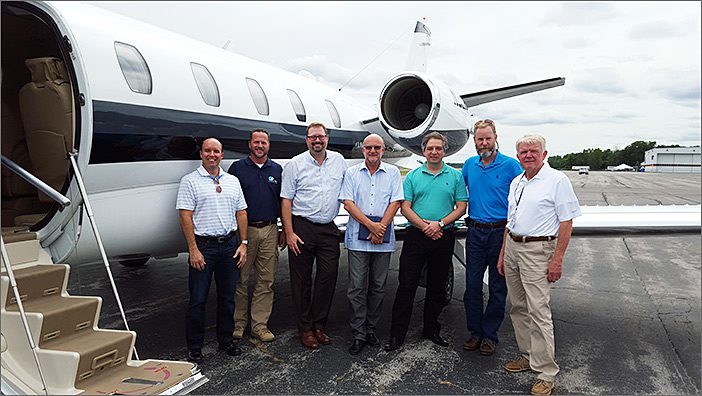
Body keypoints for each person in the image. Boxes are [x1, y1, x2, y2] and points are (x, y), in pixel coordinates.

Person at [497, 134, 581, 396]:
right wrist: (502, 254)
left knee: (539, 310)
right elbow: (510, 221)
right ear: (518, 156)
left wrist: (557, 259)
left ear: (544, 154)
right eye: (523, 152)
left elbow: (566, 222)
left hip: (537, 249)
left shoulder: (557, 181)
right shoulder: (517, 181)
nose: (528, 155)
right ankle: (528, 355)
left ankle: (546, 372)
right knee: (518, 306)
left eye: (533, 151)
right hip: (512, 246)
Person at [383, 132, 468, 352]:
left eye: (438, 148)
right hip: (417, 236)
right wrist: (426, 226)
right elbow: (405, 207)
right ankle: (397, 334)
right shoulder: (413, 176)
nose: (434, 152)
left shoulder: (455, 176)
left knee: (437, 286)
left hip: (443, 235)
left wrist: (439, 224)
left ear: (444, 151)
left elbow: (461, 207)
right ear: (423, 151)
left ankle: (431, 329)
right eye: (430, 148)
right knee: (407, 285)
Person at [176, 137, 249, 364]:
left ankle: (225, 340)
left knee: (228, 298)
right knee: (198, 299)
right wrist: (193, 249)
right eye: (207, 151)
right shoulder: (189, 181)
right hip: (204, 248)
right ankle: (195, 347)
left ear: (221, 155)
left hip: (229, 246)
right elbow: (185, 215)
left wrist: (243, 244)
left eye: (216, 151)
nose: (212, 155)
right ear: (201, 154)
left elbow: (241, 213)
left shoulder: (233, 181)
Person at [280, 122, 348, 349]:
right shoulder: (295, 164)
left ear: (327, 138)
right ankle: (306, 329)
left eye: (321, 137)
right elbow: (286, 200)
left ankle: (320, 325)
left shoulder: (339, 161)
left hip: (328, 227)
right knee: (301, 281)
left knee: (328, 277)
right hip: (302, 227)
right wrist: (288, 232)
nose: (317, 141)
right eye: (312, 137)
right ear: (306, 140)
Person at [461, 119, 523, 356]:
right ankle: (474, 332)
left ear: (496, 137)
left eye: (488, 138)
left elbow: (521, 199)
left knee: (498, 287)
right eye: (479, 139)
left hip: (500, 233)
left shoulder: (511, 166)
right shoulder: (469, 165)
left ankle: (490, 335)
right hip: (475, 232)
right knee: (472, 285)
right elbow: (460, 194)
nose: (484, 142)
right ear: (474, 141)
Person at [339, 134, 403, 355]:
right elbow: (348, 203)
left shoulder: (393, 173)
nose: (373, 151)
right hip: (358, 237)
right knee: (356, 287)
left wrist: (380, 228)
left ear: (383, 150)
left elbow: (396, 202)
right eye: (369, 147)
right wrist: (371, 226)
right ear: (362, 150)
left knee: (378, 286)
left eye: (377, 147)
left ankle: (371, 329)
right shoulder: (352, 173)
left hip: (383, 239)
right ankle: (358, 333)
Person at [228, 129, 284, 343]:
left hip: (270, 229)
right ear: (250, 145)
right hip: (245, 230)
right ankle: (239, 324)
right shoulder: (238, 169)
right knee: (241, 280)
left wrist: (282, 230)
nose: (260, 146)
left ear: (268, 145)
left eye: (264, 142)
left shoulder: (276, 169)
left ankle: (259, 326)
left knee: (265, 281)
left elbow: (282, 202)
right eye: (256, 142)